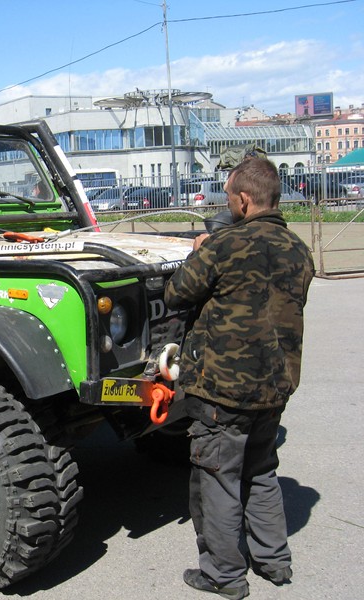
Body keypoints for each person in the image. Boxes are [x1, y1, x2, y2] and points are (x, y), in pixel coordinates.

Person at [164, 158, 314, 600]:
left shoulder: (224, 245)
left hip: (222, 391)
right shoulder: (298, 248)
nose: (225, 202)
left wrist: (198, 252)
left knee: (218, 477)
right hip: (276, 385)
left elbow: (176, 293)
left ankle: (223, 575)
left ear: (244, 200)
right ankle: (274, 560)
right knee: (262, 470)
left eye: (228, 195)